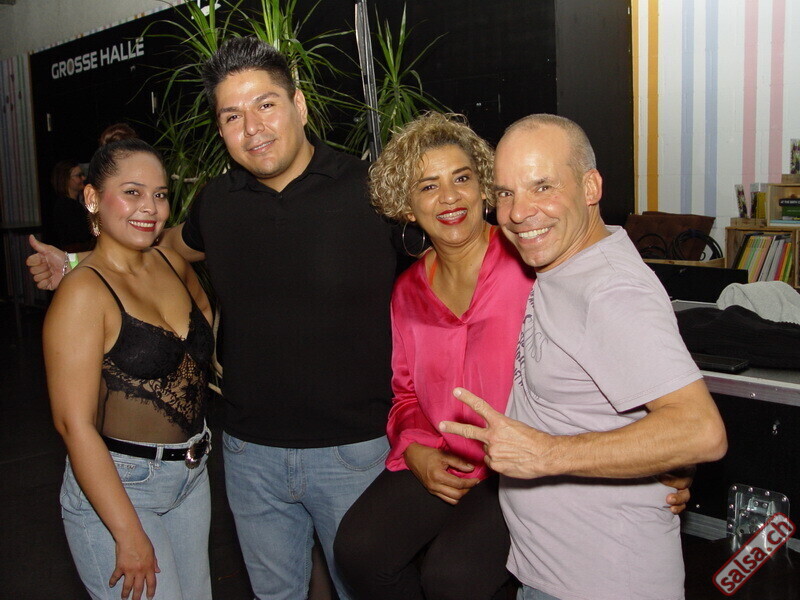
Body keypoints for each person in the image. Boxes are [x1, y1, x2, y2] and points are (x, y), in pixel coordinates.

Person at [28, 37, 396, 600]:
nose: (253, 128)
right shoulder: (217, 202)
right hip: (249, 457)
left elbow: (454, 260)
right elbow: (151, 244)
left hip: (354, 454)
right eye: (232, 115)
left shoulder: (372, 191)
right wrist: (77, 263)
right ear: (220, 128)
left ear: (298, 105)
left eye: (265, 104)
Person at [440, 114, 728, 600]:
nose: (519, 212)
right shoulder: (566, 262)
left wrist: (545, 454)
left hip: (601, 583)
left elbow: (701, 431)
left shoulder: (610, 290)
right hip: (556, 573)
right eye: (506, 193)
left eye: (542, 186)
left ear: (591, 187)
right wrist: (663, 458)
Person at [333, 112, 535, 600]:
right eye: (428, 186)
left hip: (523, 463)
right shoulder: (407, 292)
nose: (449, 198)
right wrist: (415, 451)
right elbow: (405, 394)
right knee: (358, 552)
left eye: (461, 179)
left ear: (484, 188)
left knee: (451, 577)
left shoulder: (528, 263)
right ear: (406, 207)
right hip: (446, 454)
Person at [44, 138, 214, 600]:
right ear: (93, 199)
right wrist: (127, 532)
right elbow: (73, 424)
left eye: (160, 195)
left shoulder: (170, 262)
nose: (150, 208)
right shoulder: (83, 293)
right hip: (122, 486)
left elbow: (204, 315)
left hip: (192, 476)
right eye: (132, 192)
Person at [49, 159, 93, 252]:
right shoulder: (65, 206)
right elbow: (81, 237)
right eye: (79, 176)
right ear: (65, 179)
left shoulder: (73, 204)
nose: (83, 178)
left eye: (82, 174)